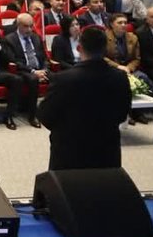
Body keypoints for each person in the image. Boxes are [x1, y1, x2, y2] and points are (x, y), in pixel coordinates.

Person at [38, 25, 132, 170]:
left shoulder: (63, 79)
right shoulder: (120, 77)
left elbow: (45, 116)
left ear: (79, 48)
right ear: (106, 49)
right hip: (106, 148)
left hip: (69, 150)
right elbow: (122, 113)